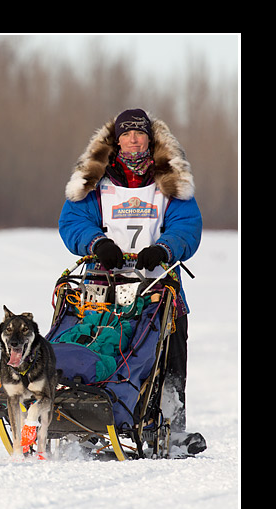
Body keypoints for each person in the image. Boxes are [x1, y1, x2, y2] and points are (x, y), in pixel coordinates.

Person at [58, 108, 206, 455]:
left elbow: (188, 226)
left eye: (140, 134)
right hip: (103, 284)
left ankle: (170, 422)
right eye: (126, 134)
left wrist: (164, 249)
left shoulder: (169, 181)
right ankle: (86, 413)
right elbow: (73, 221)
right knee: (99, 341)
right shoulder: (96, 183)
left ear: (150, 140)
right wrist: (98, 244)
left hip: (158, 284)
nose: (134, 139)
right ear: (116, 140)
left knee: (170, 349)